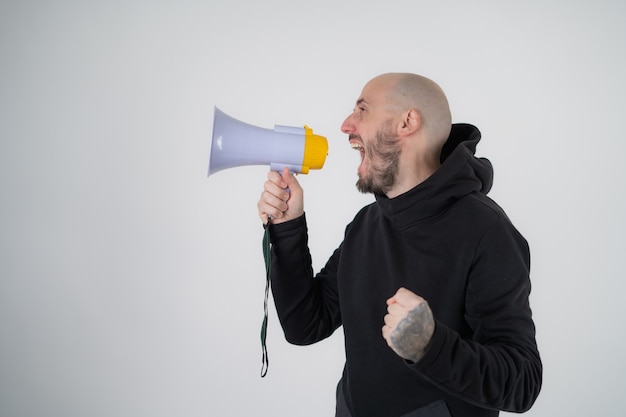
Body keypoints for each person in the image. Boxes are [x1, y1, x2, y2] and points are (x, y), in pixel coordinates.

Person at [257, 73, 542, 417]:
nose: (346, 125)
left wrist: (431, 346)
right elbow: (306, 324)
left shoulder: (487, 232)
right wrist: (288, 229)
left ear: (407, 122)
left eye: (362, 110)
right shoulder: (366, 225)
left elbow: (523, 382)